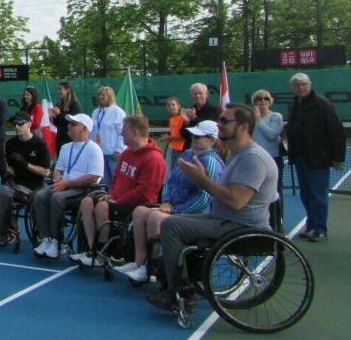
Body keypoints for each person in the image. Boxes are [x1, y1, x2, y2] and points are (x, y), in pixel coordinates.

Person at [148, 103, 278, 314]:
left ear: (244, 126)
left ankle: (182, 292)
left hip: (240, 226)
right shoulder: (238, 154)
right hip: (223, 218)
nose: (219, 125)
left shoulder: (252, 158)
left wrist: (202, 180)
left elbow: (236, 201)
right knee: (169, 223)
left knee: (171, 225)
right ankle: (176, 278)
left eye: (225, 121)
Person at [114, 120, 224, 284]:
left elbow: (204, 199)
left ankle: (151, 268)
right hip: (173, 207)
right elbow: (170, 181)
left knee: (155, 218)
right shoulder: (187, 154)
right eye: (193, 135)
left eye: (199, 136)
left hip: (196, 214)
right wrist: (166, 202)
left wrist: (174, 211)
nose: (194, 138)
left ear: (212, 141)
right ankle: (139, 262)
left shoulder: (211, 162)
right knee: (139, 212)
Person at [70, 114, 166, 267]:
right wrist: (111, 194)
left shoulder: (153, 159)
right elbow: (115, 177)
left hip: (138, 206)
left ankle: (102, 252)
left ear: (135, 133)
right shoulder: (127, 153)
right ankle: (90, 248)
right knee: (87, 201)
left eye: (124, 131)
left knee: (102, 206)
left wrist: (118, 200)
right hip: (118, 200)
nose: (121, 134)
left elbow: (144, 192)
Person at [32, 114, 104, 259]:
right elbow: (58, 169)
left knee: (57, 199)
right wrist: (58, 180)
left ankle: (57, 242)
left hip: (83, 189)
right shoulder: (66, 147)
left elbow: (93, 177)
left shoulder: (94, 149)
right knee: (39, 196)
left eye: (73, 124)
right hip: (65, 185)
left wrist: (67, 183)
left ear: (83, 128)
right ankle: (46, 238)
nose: (68, 126)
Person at [285, 73, 345, 243]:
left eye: (304, 84)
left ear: (310, 85)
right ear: (293, 88)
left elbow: (337, 131)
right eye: (297, 85)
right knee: (306, 194)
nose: (301, 87)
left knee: (318, 195)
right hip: (300, 158)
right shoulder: (294, 104)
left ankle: (320, 230)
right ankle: (311, 226)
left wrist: (337, 157)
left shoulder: (322, 104)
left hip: (318, 158)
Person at [0, 111, 51, 245]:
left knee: (3, 193)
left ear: (29, 125)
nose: (17, 127)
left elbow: (46, 172)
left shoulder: (39, 144)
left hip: (32, 186)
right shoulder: (10, 144)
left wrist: (26, 165)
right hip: (14, 184)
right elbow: (12, 167)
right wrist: (9, 171)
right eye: (15, 124)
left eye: (21, 123)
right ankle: (12, 229)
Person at [91, 86, 126, 186]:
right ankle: (104, 198)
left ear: (110, 96)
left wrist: (119, 149)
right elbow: (92, 130)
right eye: (99, 95)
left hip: (113, 153)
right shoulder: (96, 112)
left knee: (116, 179)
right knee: (104, 181)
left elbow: (122, 132)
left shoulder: (117, 112)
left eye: (103, 95)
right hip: (99, 152)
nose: (100, 97)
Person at [251, 89, 284, 190]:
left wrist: (259, 121)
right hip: (256, 158)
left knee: (275, 188)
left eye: (266, 98)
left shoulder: (275, 116)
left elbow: (272, 135)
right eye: (259, 99)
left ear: (270, 101)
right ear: (254, 102)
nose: (263, 101)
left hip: (273, 158)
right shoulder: (250, 118)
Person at [179, 83, 220, 149]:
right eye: (195, 94)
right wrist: (187, 123)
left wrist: (194, 118)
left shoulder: (214, 110)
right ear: (191, 95)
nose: (197, 96)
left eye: (200, 93)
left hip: (208, 149)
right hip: (191, 149)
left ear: (207, 94)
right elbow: (184, 135)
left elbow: (211, 131)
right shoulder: (190, 111)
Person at [49, 81, 82, 155]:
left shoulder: (75, 104)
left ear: (68, 90)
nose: (58, 91)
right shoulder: (59, 104)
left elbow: (74, 121)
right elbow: (59, 123)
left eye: (60, 89)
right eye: (58, 89)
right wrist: (52, 119)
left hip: (70, 138)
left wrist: (59, 114)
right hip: (60, 136)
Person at [158, 97, 185, 170]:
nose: (171, 107)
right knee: (173, 171)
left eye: (173, 105)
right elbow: (174, 136)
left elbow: (184, 137)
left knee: (180, 172)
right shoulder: (171, 119)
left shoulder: (182, 119)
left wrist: (169, 138)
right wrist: (167, 138)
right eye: (169, 105)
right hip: (174, 149)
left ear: (178, 106)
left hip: (182, 150)